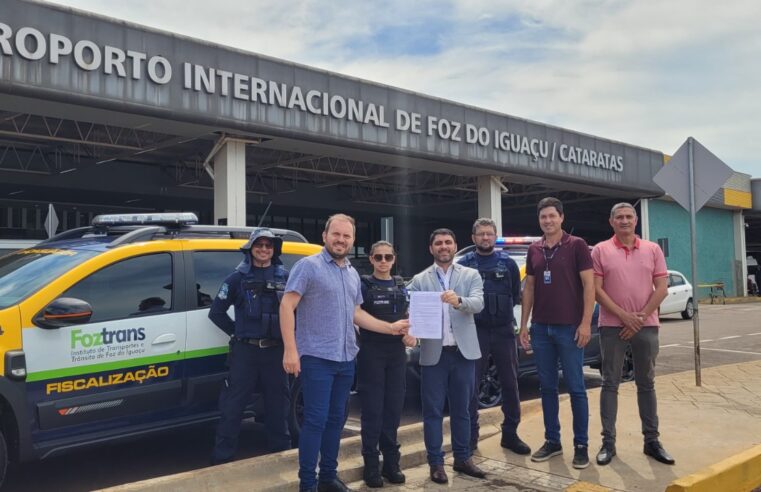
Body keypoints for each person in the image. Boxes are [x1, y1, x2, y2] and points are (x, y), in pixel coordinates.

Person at [279, 214, 409, 492]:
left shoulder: (351, 273)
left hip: (346, 357)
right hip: (317, 358)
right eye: (336, 234)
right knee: (315, 421)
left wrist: (390, 329)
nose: (341, 240)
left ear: (353, 240)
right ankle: (308, 483)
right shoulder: (308, 267)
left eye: (346, 236)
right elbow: (287, 306)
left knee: (336, 420)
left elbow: (356, 314)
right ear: (325, 235)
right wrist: (290, 349)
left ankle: (328, 476)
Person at [591, 202, 674, 466]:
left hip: (646, 325)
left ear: (635, 221)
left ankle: (652, 441)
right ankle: (608, 443)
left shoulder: (653, 249)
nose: (624, 221)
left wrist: (638, 317)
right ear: (611, 221)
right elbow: (596, 290)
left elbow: (661, 288)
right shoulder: (601, 251)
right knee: (609, 383)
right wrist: (624, 316)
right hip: (611, 326)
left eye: (629, 217)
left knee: (646, 383)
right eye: (619, 217)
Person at [519, 197, 595, 469]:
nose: (548, 221)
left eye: (552, 216)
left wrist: (585, 323)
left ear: (561, 217)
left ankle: (581, 445)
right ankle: (552, 440)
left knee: (576, 388)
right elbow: (529, 287)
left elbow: (589, 286)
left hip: (570, 328)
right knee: (547, 388)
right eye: (543, 217)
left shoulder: (577, 246)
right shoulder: (535, 249)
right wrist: (524, 325)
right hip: (541, 329)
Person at [407, 228, 486, 484]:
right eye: (438, 243)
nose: (444, 247)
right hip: (434, 354)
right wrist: (408, 330)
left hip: (463, 353)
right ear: (431, 249)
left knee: (462, 409)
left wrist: (458, 300)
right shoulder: (420, 279)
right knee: (432, 411)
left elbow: (478, 303)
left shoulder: (471, 275)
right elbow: (408, 306)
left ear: (455, 246)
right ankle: (436, 463)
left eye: (448, 242)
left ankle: (463, 458)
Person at [208, 228, 291, 464]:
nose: (264, 249)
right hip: (245, 352)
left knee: (278, 405)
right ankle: (223, 458)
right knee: (233, 406)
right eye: (259, 245)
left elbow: (297, 312)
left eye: (268, 245)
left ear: (274, 250)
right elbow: (216, 312)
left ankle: (281, 454)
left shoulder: (286, 278)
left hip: (276, 351)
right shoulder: (236, 278)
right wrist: (237, 332)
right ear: (250, 248)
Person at [458, 218, 530, 455]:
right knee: (471, 386)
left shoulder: (507, 264)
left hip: (503, 332)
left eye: (489, 234)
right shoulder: (465, 265)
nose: (485, 238)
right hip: (474, 331)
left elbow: (513, 295)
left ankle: (510, 434)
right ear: (473, 238)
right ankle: (471, 437)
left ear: (495, 236)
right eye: (481, 234)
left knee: (510, 383)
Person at [357, 240, 416, 488]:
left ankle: (391, 462)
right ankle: (371, 464)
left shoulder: (401, 285)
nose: (383, 262)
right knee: (372, 411)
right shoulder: (362, 284)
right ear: (370, 259)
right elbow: (355, 314)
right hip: (371, 352)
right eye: (378, 257)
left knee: (393, 409)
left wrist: (413, 333)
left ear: (394, 259)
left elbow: (409, 316)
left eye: (388, 257)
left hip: (396, 354)